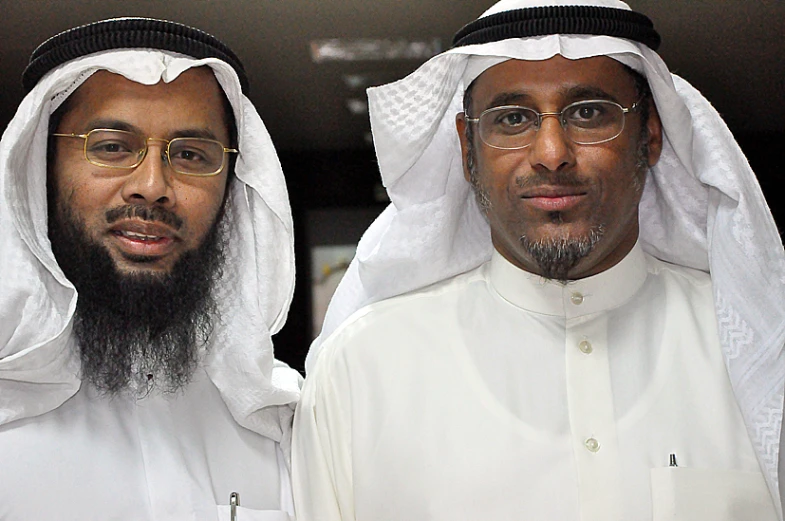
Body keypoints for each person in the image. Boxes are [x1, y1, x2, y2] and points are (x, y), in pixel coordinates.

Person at [291, 0, 785, 519]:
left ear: (652, 135)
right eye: (513, 119)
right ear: (467, 149)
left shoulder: (760, 349)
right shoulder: (363, 370)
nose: (551, 152)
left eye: (590, 113)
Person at [0, 18, 300, 519]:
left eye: (190, 154)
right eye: (112, 146)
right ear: (41, 169)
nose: (153, 185)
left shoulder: (283, 422)